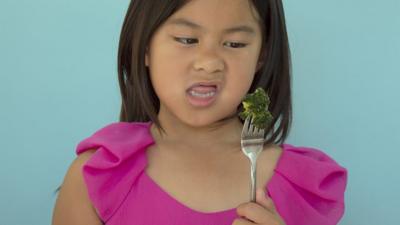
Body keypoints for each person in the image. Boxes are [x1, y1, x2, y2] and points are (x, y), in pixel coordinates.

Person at [52, 0, 348, 224]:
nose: (209, 63)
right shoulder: (98, 175)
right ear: (144, 47)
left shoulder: (303, 187)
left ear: (262, 56)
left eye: (235, 44)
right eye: (186, 39)